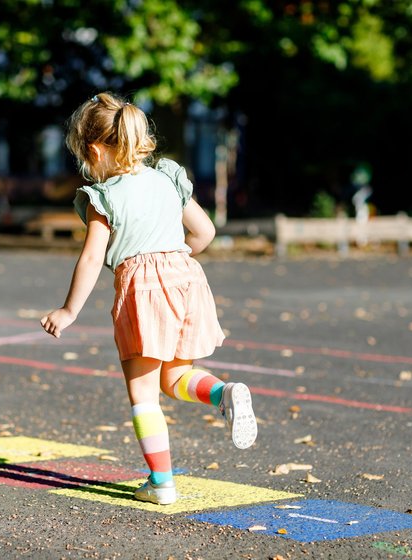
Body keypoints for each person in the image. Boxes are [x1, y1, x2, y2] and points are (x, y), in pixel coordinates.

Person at [40, 92, 257, 506]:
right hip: (187, 278)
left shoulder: (104, 198)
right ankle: (224, 392)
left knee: (143, 394)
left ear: (95, 149)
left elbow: (91, 258)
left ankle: (161, 482)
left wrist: (69, 311)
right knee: (174, 379)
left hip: (144, 287)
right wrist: (173, 256)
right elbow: (205, 233)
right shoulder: (166, 179)